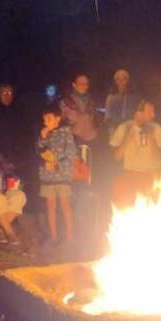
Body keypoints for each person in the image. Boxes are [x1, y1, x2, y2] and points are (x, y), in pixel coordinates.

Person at [109, 101, 161, 207]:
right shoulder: (124, 128)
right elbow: (115, 157)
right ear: (138, 114)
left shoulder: (156, 129)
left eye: (153, 112)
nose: (153, 115)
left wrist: (153, 142)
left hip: (151, 177)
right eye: (149, 112)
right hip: (130, 177)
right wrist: (126, 141)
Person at [37, 105, 77, 245]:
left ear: (57, 118)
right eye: (44, 119)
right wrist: (42, 137)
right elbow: (39, 151)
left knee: (65, 206)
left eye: (49, 118)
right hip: (48, 176)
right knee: (50, 207)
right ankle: (53, 236)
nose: (46, 122)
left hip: (62, 175)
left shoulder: (66, 133)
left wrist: (55, 162)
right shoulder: (44, 134)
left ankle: (70, 236)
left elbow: (71, 152)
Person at [59, 73, 99, 144]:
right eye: (81, 83)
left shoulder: (92, 101)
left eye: (86, 83)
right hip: (72, 139)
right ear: (74, 85)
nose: (84, 86)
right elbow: (62, 120)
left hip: (91, 139)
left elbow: (96, 120)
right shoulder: (66, 101)